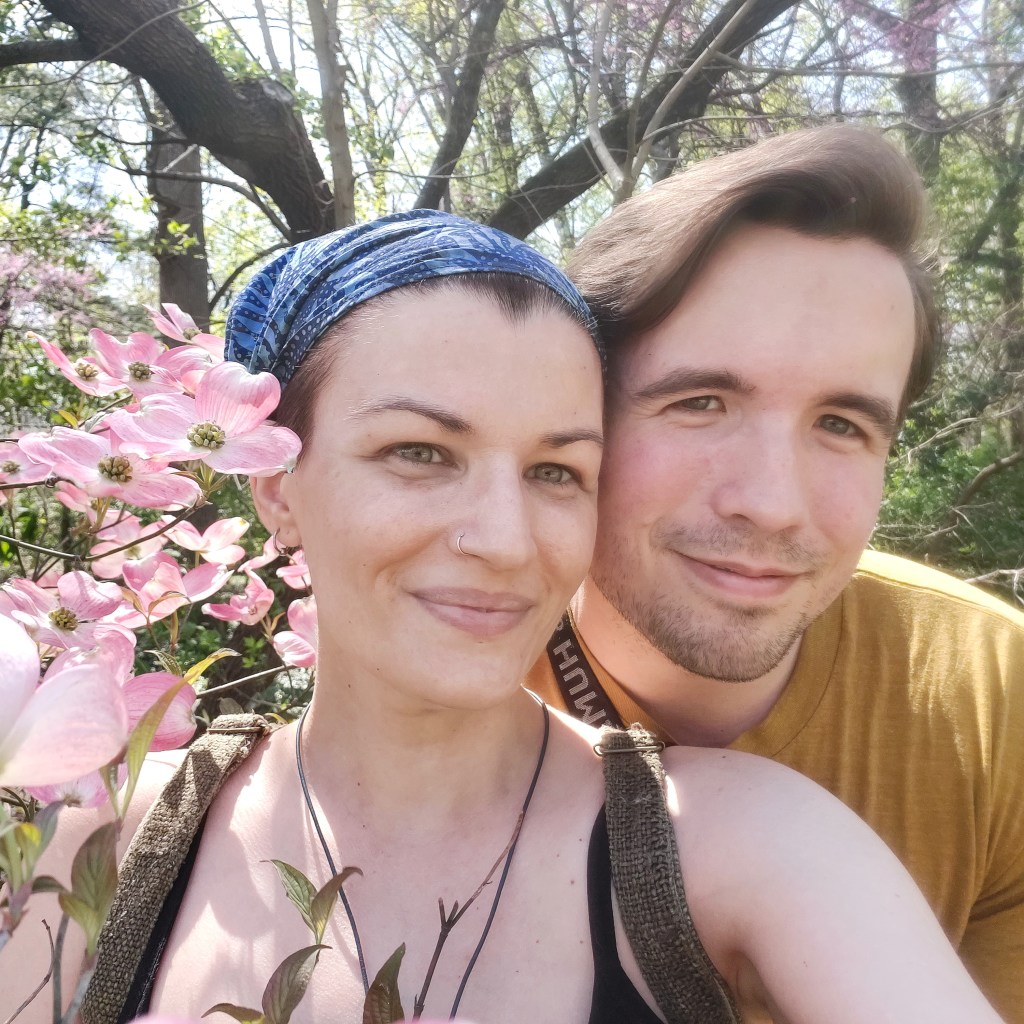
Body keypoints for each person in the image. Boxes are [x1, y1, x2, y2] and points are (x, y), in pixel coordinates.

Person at [1, 210, 1003, 1024]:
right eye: (419, 453)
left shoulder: (740, 842)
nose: (505, 539)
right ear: (277, 483)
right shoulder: (124, 824)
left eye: (555, 471)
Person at [525, 124, 1024, 1021]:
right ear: (576, 413)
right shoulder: (451, 671)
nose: (773, 503)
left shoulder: (995, 702)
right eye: (700, 401)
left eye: (842, 424)